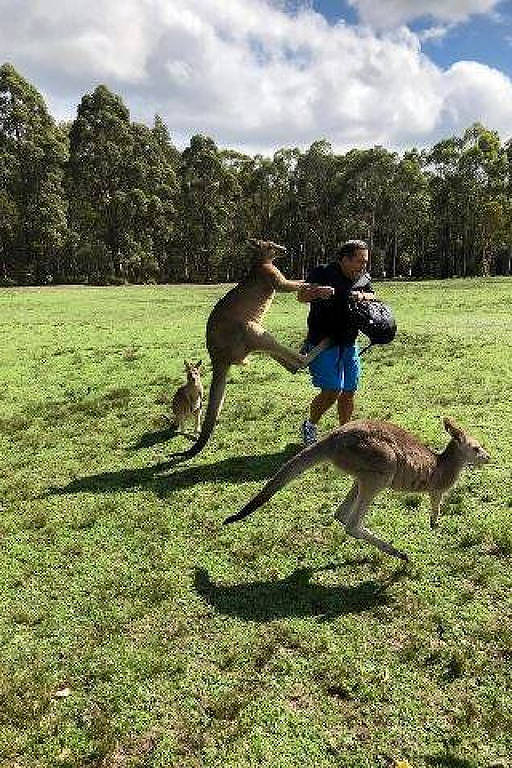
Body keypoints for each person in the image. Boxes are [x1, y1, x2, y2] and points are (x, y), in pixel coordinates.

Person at [297, 240, 374, 445]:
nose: (363, 266)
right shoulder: (323, 272)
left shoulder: (362, 278)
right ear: (344, 259)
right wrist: (316, 293)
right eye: (359, 261)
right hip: (323, 342)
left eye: (365, 262)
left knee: (349, 391)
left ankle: (344, 434)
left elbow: (373, 294)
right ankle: (310, 425)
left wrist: (361, 295)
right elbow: (301, 296)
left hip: (349, 342)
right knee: (332, 391)